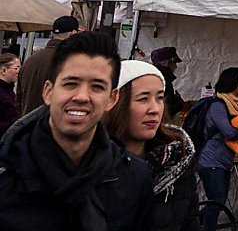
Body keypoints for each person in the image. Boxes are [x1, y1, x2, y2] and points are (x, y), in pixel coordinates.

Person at [0, 25, 152, 231]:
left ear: (112, 99)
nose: (81, 96)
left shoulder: (133, 177)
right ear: (48, 92)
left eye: (97, 87)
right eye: (71, 83)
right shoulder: (8, 171)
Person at [109, 58, 202, 231]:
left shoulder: (177, 160)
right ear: (115, 103)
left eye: (159, 98)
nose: (154, 109)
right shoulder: (94, 163)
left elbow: (190, 222)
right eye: (143, 99)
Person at [185, 69, 238, 230]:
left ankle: (192, 223)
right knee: (216, 201)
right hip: (211, 160)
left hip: (222, 160)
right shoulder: (218, 105)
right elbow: (228, 131)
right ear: (231, 82)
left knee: (218, 201)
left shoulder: (231, 104)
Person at [13, 17, 80, 121]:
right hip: (52, 127)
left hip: (27, 125)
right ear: (73, 34)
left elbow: (19, 99)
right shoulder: (68, 61)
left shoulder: (31, 60)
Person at [148, 49, 185, 125]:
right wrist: (179, 102)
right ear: (169, 63)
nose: (176, 66)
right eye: (174, 62)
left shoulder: (153, 77)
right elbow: (166, 108)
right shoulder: (163, 80)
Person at [0, 49, 19, 132]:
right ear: (4, 70)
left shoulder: (9, 90)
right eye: (16, 68)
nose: (19, 71)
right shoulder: (2, 94)